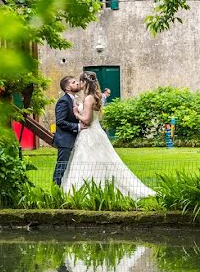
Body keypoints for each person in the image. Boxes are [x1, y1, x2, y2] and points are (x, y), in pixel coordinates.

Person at [62, 71, 155, 199]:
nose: (79, 83)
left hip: (90, 134)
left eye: (80, 81)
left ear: (85, 82)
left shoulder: (89, 98)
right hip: (95, 132)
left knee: (90, 161)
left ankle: (88, 190)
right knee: (97, 161)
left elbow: (87, 120)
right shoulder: (92, 97)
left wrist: (76, 113)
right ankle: (95, 187)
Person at [52, 76, 84, 187]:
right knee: (61, 167)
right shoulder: (63, 101)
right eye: (74, 82)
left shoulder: (73, 100)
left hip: (74, 139)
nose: (77, 83)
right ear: (67, 87)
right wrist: (78, 126)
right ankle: (55, 190)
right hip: (65, 140)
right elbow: (60, 122)